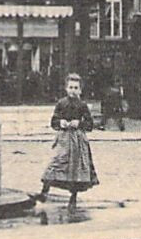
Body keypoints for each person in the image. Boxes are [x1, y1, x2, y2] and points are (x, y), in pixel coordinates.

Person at [37, 74, 97, 207]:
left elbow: (90, 124)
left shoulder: (82, 105)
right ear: (66, 88)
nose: (73, 90)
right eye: (70, 87)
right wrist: (60, 122)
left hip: (78, 140)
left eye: (76, 88)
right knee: (57, 162)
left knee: (76, 168)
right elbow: (53, 121)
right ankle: (44, 192)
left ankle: (73, 197)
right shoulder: (61, 103)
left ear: (80, 90)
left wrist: (79, 123)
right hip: (64, 139)